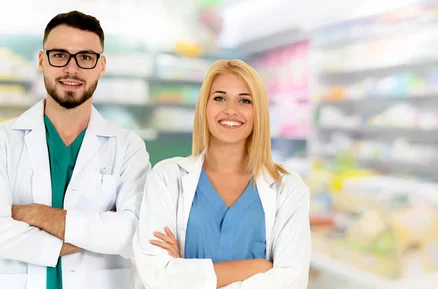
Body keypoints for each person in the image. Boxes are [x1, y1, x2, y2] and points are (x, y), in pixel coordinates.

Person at [0, 11, 151, 289]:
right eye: (59, 55)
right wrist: (97, 233)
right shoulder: (4, 140)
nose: (72, 69)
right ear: (42, 60)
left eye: (85, 57)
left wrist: (36, 215)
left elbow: (134, 232)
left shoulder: (129, 146)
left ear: (101, 65)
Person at [133, 59, 311, 289]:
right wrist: (258, 268)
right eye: (219, 98)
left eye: (244, 100)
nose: (230, 109)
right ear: (204, 107)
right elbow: (156, 275)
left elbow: (291, 281)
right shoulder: (167, 177)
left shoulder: (288, 188)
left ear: (258, 112)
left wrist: (185, 274)